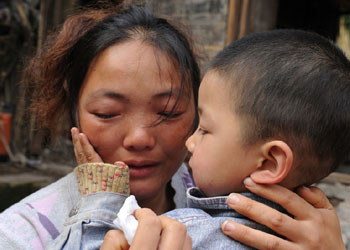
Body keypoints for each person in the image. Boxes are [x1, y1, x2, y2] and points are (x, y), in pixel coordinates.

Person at [0, 3, 345, 250]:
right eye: (107, 113)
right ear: (74, 111)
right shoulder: (21, 234)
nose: (139, 138)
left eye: (168, 112)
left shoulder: (231, 192)